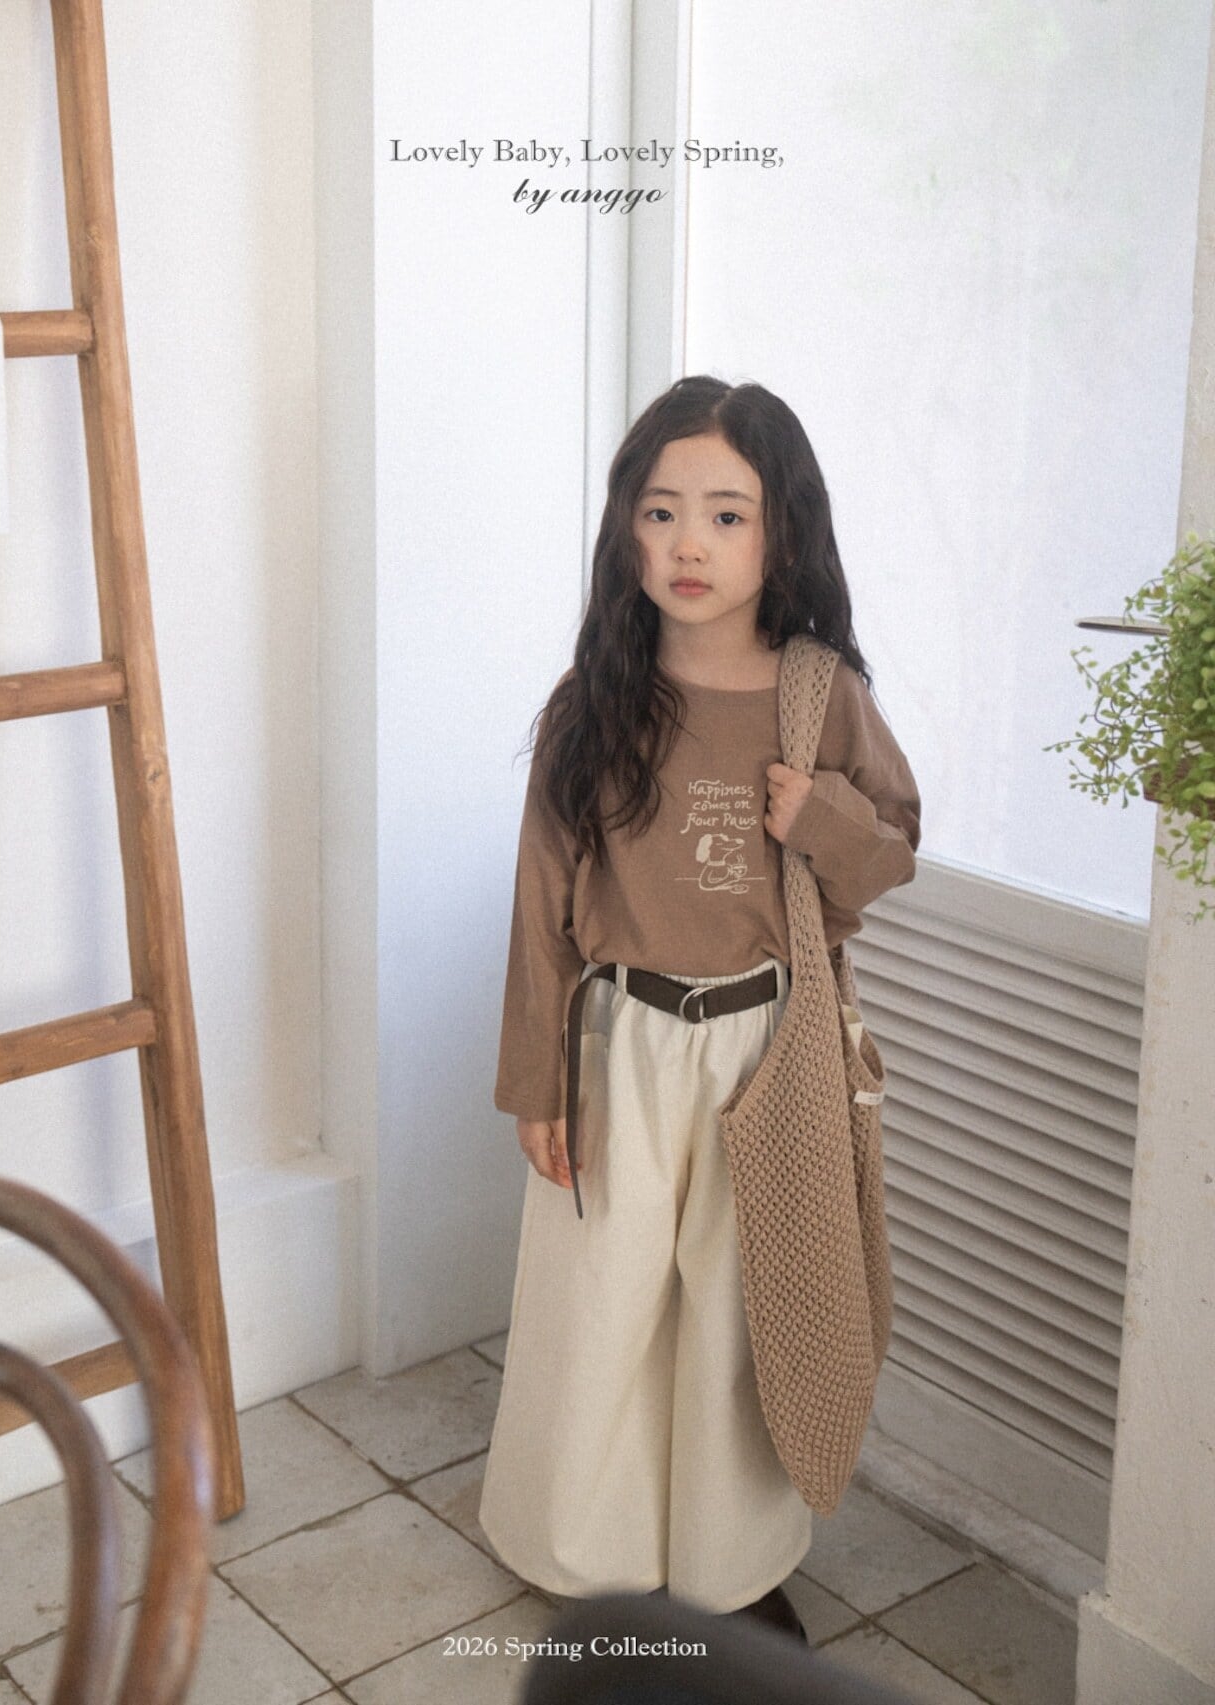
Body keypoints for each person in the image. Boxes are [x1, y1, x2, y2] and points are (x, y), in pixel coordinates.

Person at [478, 375, 921, 1639]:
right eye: (660, 510)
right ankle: (586, 1555)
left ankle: (729, 1569)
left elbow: (889, 852)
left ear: (781, 532)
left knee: (739, 1313)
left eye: (727, 515)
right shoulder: (595, 702)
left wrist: (820, 816)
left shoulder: (819, 696)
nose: (689, 543)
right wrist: (537, 1084)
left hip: (764, 1049)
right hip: (618, 1045)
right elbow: (541, 905)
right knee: (600, 1305)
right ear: (625, 526)